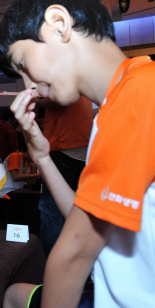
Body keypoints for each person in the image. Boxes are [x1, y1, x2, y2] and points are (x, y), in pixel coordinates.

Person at [0, 0, 155, 308]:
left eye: (22, 63)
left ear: (59, 24)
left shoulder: (144, 92)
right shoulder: (120, 103)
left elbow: (74, 254)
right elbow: (84, 217)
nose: (28, 85)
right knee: (16, 297)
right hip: (131, 301)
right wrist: (43, 156)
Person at [34, 95, 93, 255]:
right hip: (83, 145)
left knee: (50, 208)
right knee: (78, 208)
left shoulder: (60, 71)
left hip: (64, 143)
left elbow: (60, 98)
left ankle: (49, 268)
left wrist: (34, 100)